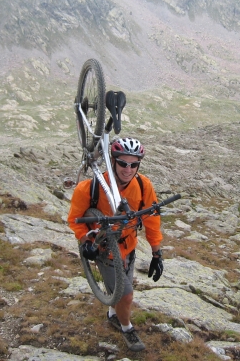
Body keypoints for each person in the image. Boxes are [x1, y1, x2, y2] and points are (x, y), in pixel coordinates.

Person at [68, 137, 163, 352]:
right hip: (104, 249)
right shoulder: (89, 188)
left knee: (121, 287)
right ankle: (127, 327)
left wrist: (157, 253)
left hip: (129, 246)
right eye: (122, 163)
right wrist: (86, 242)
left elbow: (152, 220)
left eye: (133, 164)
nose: (128, 169)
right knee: (125, 295)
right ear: (113, 161)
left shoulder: (143, 185)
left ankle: (112, 314)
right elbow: (75, 219)